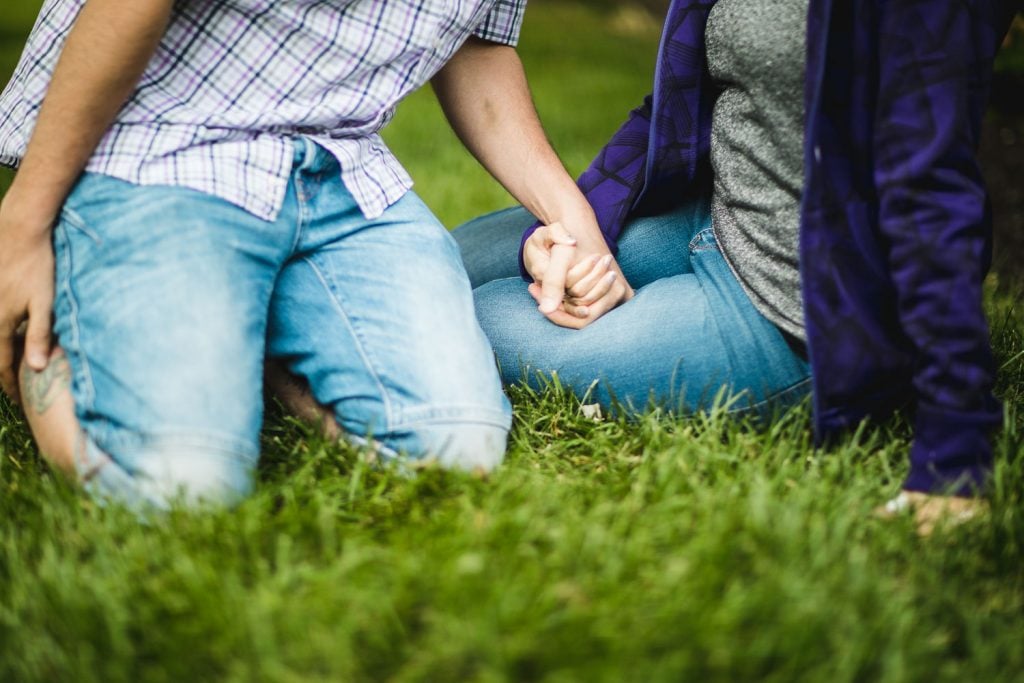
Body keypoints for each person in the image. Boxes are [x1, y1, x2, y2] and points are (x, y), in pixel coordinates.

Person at [0, 0, 607, 510]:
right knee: (184, 492)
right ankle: (50, 349)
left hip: (343, 169)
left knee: (456, 449)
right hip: (166, 148)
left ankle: (253, 333)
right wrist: (23, 222)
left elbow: (474, 45)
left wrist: (579, 229)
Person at [455, 0, 1019, 528]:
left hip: (807, 302)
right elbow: (675, 102)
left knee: (474, 316)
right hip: (712, 216)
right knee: (446, 262)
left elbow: (931, 190)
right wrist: (572, 231)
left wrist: (955, 448)